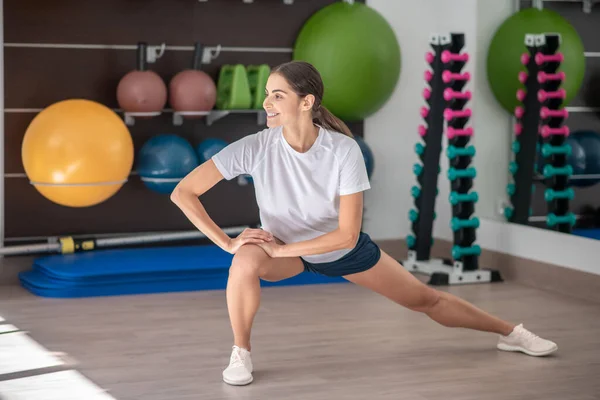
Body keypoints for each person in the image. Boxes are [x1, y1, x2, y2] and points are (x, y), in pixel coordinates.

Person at [170, 60, 558, 386]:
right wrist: (228, 243)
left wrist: (281, 248)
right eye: (268, 93)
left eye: (278, 95)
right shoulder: (256, 147)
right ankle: (241, 353)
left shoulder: (342, 150)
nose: (267, 103)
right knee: (243, 262)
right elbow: (184, 191)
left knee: (426, 300)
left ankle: (511, 333)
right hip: (284, 250)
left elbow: (347, 233)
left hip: (338, 249)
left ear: (306, 102)